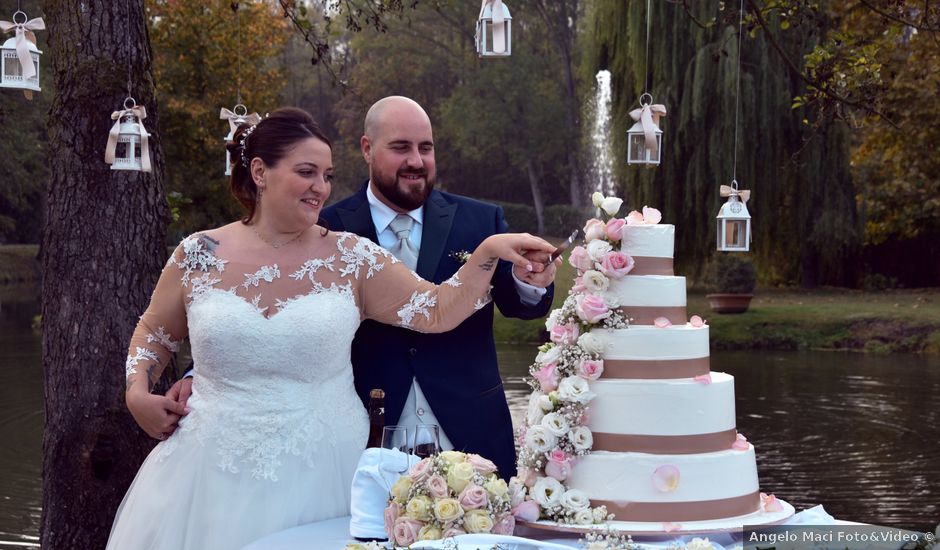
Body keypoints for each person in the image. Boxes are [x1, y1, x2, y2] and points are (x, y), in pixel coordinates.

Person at [107, 107, 555, 550]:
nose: (320, 188)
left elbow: (435, 310)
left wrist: (489, 251)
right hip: (206, 470)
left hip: (326, 466)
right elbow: (155, 331)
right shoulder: (197, 253)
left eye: (327, 175)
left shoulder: (350, 257)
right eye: (307, 172)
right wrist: (136, 392)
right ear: (260, 172)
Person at [319, 96, 556, 478]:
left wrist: (530, 281)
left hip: (472, 434)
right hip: (362, 436)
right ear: (367, 148)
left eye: (425, 148)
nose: (416, 160)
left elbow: (520, 305)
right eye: (401, 147)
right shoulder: (326, 227)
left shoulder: (481, 220)